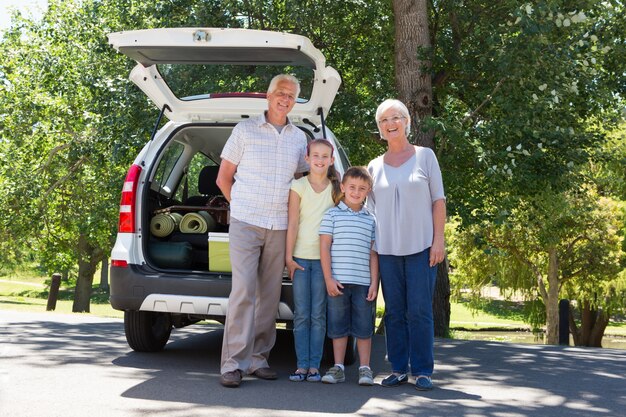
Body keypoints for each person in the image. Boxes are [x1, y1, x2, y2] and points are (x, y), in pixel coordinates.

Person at [216, 74, 308, 388]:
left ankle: (258, 359)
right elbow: (223, 178)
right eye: (281, 93)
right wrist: (239, 206)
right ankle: (232, 364)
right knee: (243, 291)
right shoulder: (245, 130)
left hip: (280, 225)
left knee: (269, 295)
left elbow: (302, 184)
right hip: (245, 222)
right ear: (268, 96)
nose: (286, 99)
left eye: (292, 96)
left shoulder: (299, 137)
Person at [367, 99, 446, 391]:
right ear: (380, 129)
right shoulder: (373, 166)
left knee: (420, 311)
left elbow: (438, 201)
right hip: (387, 251)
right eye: (384, 120)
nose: (391, 124)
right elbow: (369, 212)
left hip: (422, 249)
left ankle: (423, 370)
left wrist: (439, 240)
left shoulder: (426, 157)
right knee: (395, 312)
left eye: (396, 118)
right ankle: (398, 368)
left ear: (407, 122)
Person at [285, 139, 342, 383]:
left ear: (331, 160)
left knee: (318, 314)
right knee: (301, 315)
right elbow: (293, 223)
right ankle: (301, 365)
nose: (320, 160)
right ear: (307, 158)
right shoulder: (298, 186)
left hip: (323, 262)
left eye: (325, 156)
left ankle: (314, 366)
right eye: (315, 155)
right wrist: (288, 257)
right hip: (299, 258)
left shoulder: (335, 189)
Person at [319, 166, 379, 386]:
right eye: (352, 187)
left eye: (362, 188)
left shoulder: (371, 219)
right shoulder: (332, 214)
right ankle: (338, 367)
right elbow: (324, 247)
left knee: (364, 328)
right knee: (338, 326)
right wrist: (328, 278)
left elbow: (374, 254)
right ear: (342, 187)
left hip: (363, 283)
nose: (356, 191)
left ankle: (365, 369)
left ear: (368, 191)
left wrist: (375, 282)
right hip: (338, 282)